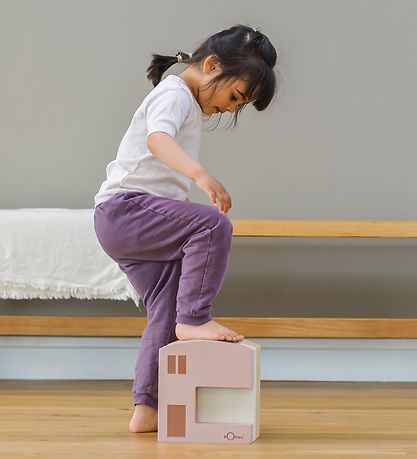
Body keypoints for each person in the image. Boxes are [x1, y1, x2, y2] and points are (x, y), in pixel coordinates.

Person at [93, 23, 279, 433]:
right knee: (213, 225)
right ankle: (195, 318)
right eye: (235, 97)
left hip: (128, 220)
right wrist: (201, 175)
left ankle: (148, 409)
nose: (231, 109)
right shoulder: (174, 93)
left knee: (166, 309)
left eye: (240, 105)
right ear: (211, 65)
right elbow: (158, 140)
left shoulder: (187, 102)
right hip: (124, 211)